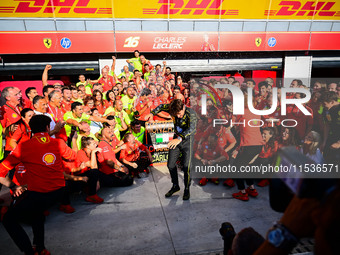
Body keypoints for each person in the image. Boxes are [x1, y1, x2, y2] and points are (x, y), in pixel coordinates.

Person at [0, 115, 77, 255]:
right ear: (48, 128)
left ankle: (30, 252)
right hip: (60, 191)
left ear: (31, 129)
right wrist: (75, 140)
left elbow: (1, 171)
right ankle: (41, 249)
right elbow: (73, 156)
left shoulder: (23, 147)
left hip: (39, 193)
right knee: (36, 211)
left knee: (8, 219)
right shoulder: (58, 143)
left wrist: (13, 186)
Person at [147, 99, 197, 200]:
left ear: (183, 107)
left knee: (186, 166)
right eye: (175, 114)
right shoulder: (172, 108)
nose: (178, 116)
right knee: (170, 165)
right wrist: (152, 114)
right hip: (175, 140)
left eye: (179, 113)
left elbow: (192, 128)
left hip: (187, 141)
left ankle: (187, 189)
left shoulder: (191, 113)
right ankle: (175, 186)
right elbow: (161, 106)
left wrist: (180, 138)